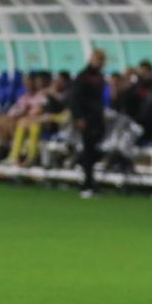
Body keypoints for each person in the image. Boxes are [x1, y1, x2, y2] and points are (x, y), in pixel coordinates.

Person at [8, 71, 71, 166]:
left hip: (58, 126)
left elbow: (63, 116)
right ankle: (15, 156)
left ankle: (32, 157)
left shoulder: (68, 96)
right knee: (24, 123)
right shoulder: (47, 93)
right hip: (45, 122)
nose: (57, 83)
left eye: (60, 81)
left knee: (33, 125)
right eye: (56, 80)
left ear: (66, 82)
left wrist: (43, 118)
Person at [71, 50, 107, 198]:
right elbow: (75, 98)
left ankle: (90, 181)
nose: (99, 63)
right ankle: (86, 184)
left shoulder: (100, 77)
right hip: (86, 118)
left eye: (101, 60)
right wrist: (78, 117)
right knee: (88, 151)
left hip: (97, 117)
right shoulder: (83, 76)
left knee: (94, 151)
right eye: (98, 60)